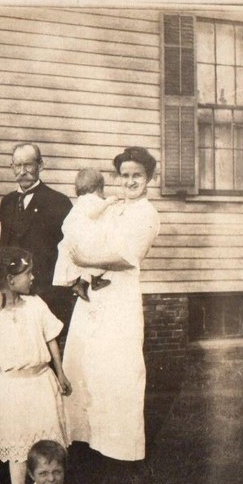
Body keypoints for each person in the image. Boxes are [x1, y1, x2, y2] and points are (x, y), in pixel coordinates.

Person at [63, 147, 161, 462]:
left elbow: (127, 256)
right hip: (94, 296)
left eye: (138, 175)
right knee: (87, 364)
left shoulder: (147, 213)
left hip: (120, 298)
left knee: (119, 369)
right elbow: (84, 230)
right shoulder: (113, 206)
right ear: (117, 178)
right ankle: (85, 437)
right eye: (125, 175)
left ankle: (119, 447)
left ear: (149, 178)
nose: (130, 181)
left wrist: (84, 259)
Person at [0, 246, 73, 484]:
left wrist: (60, 372)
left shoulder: (36, 304)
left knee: (47, 448)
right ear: (10, 279)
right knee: (18, 450)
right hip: (12, 391)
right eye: (28, 273)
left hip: (42, 384)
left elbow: (50, 339)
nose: (33, 277)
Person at [0, 143, 74, 334]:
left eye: (28, 165)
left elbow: (70, 249)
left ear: (41, 165)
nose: (23, 171)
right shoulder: (7, 202)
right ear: (11, 167)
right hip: (14, 292)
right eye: (18, 165)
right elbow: (3, 248)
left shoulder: (59, 202)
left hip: (47, 293)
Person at [52, 168, 119, 302]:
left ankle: (85, 283)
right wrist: (108, 202)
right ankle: (91, 281)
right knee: (100, 252)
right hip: (84, 239)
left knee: (91, 260)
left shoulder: (81, 201)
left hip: (76, 237)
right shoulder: (90, 200)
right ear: (99, 188)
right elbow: (93, 213)